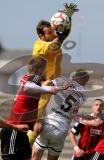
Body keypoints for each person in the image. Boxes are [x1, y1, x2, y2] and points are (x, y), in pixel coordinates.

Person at [0, 57, 67, 160]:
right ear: (40, 69)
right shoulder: (34, 78)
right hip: (14, 129)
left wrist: (56, 88)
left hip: (21, 131)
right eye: (45, 69)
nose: (45, 71)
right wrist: (50, 90)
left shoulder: (28, 78)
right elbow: (28, 88)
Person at [32, 3, 79, 140]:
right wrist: (63, 29)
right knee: (36, 128)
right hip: (41, 90)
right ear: (41, 35)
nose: (53, 34)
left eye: (53, 31)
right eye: (49, 32)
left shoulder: (53, 41)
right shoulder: (39, 45)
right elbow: (56, 43)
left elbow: (63, 34)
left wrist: (68, 18)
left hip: (54, 88)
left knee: (51, 129)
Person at [32, 69, 90, 160]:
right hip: (62, 128)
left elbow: (46, 85)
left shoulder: (63, 80)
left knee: (35, 156)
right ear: (85, 80)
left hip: (48, 121)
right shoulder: (84, 94)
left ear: (74, 76)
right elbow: (74, 112)